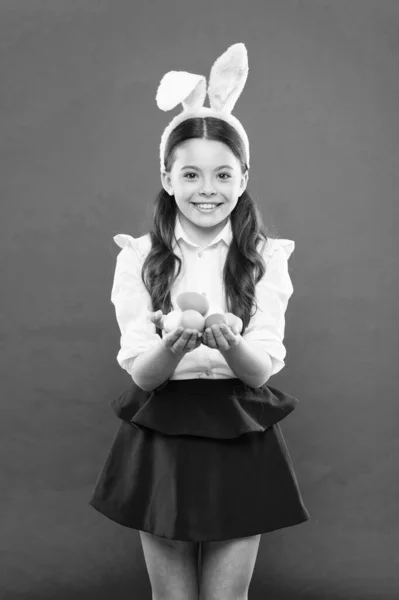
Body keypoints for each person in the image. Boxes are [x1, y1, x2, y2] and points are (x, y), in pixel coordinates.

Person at [89, 43, 310, 600]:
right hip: (163, 433)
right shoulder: (138, 258)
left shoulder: (265, 258)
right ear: (167, 178)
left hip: (241, 432)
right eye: (190, 173)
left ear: (243, 177)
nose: (206, 189)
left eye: (221, 174)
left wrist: (230, 344)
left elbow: (259, 372)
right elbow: (143, 375)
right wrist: (175, 345)